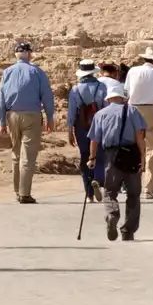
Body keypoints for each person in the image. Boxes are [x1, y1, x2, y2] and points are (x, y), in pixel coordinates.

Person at [0, 41, 55, 204]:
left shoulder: (7, 72)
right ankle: (24, 193)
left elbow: (0, 98)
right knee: (28, 156)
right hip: (32, 115)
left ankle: (17, 190)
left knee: (16, 153)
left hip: (12, 115)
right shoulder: (37, 72)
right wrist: (50, 117)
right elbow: (47, 96)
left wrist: (1, 121)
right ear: (30, 54)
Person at [87, 87, 147, 241]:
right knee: (133, 194)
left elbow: (94, 140)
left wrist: (92, 158)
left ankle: (112, 214)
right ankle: (128, 230)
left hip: (111, 156)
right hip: (132, 155)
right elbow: (140, 137)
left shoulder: (100, 114)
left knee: (110, 192)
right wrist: (143, 158)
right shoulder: (132, 111)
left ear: (108, 99)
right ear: (123, 98)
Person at [125, 46, 153, 198]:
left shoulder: (133, 71)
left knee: (133, 148)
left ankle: (131, 185)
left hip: (133, 110)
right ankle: (149, 188)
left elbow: (127, 91)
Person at [68, 60, 108, 203]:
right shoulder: (101, 86)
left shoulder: (75, 89)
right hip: (99, 124)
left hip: (82, 126)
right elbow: (106, 106)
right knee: (100, 154)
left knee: (85, 156)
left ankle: (89, 193)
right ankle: (97, 179)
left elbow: (72, 112)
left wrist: (69, 130)